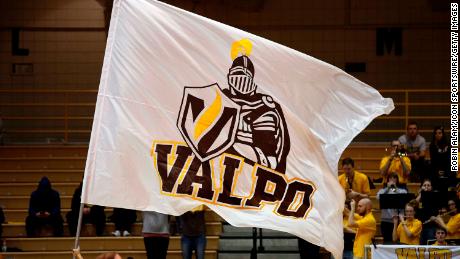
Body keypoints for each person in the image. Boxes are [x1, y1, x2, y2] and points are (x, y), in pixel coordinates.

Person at [222, 52, 290, 173]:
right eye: (236, 73)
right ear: (229, 75)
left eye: (244, 74)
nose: (239, 78)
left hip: (254, 169)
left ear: (251, 78)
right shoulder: (220, 97)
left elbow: (270, 160)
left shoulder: (263, 106)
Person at [376, 173, 407, 243]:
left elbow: (403, 198)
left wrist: (394, 189)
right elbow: (378, 197)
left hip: (398, 219)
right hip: (385, 220)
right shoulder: (382, 191)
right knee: (387, 241)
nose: (392, 180)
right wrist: (387, 188)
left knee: (398, 241)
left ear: (397, 180)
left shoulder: (402, 191)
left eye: (394, 178)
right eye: (390, 178)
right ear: (387, 180)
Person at [415, 179, 438, 245]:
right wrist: (421, 194)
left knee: (430, 246)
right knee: (421, 247)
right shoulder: (419, 197)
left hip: (430, 226)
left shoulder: (434, 197)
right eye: (424, 185)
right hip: (419, 226)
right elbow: (414, 205)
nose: (426, 187)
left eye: (428, 185)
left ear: (431, 187)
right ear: (421, 187)